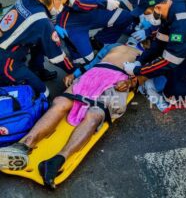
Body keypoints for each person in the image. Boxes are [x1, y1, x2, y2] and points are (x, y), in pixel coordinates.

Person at [0, 43, 143, 189]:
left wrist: (130, 82)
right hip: (95, 73)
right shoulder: (113, 45)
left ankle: (57, 160)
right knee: (60, 102)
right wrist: (73, 75)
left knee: (95, 114)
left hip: (119, 80)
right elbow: (93, 63)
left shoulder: (153, 53)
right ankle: (23, 146)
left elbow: (145, 77)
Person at [0, 0, 75, 97]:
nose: (62, 7)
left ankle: (36, 69)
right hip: (6, 64)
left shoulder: (24, 0)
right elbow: (56, 56)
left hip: (5, 47)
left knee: (39, 42)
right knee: (44, 93)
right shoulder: (42, 21)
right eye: (63, 3)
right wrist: (72, 71)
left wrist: (50, 27)